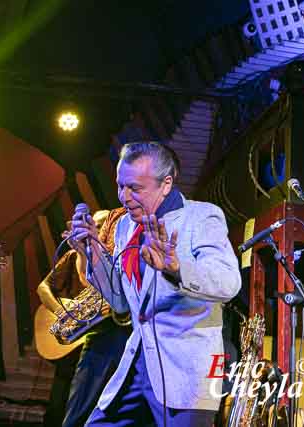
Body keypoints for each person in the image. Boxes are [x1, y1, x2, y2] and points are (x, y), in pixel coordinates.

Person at [70, 142, 241, 427]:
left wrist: (176, 269)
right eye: (119, 186)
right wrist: (93, 253)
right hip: (137, 364)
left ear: (166, 184)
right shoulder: (126, 226)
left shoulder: (201, 217)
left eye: (135, 188)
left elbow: (229, 283)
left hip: (189, 374)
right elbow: (122, 302)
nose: (124, 197)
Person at [37, 209, 131, 427]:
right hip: (84, 333)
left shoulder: (111, 253)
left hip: (106, 328)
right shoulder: (73, 255)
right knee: (68, 404)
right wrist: (64, 312)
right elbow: (43, 288)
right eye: (96, 226)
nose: (99, 230)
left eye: (102, 227)